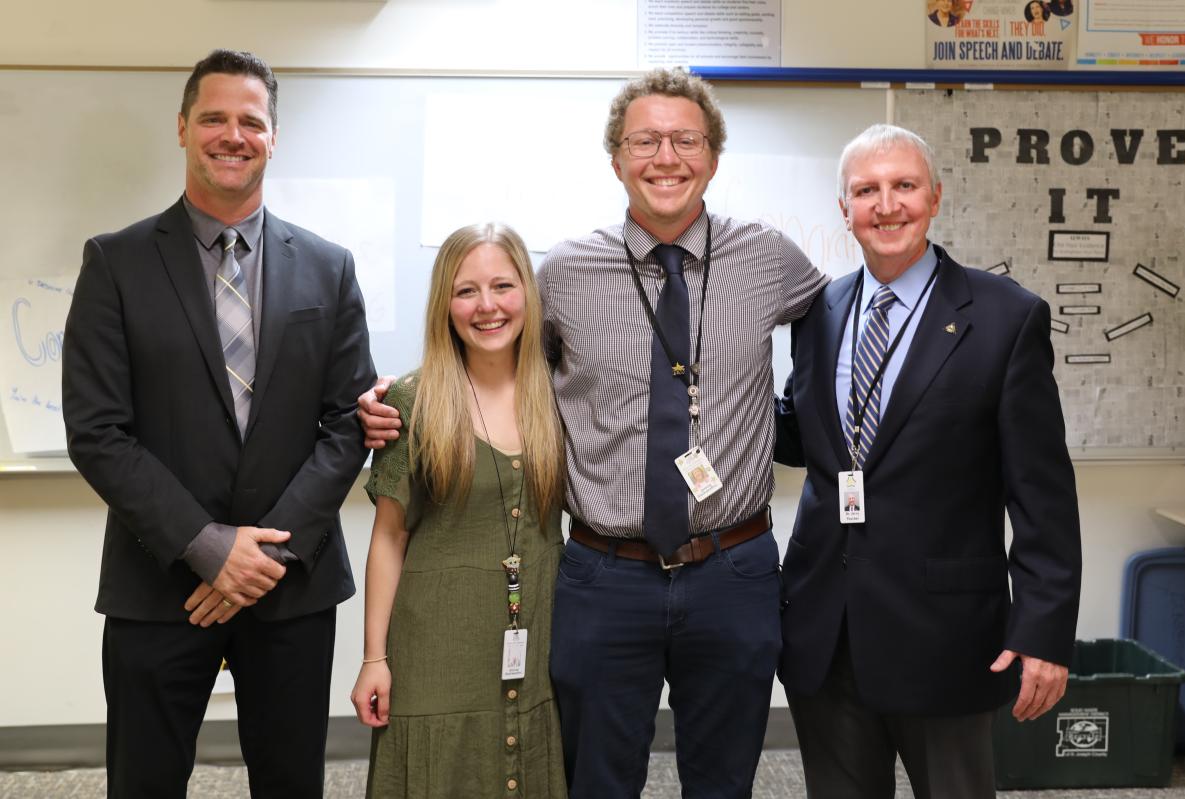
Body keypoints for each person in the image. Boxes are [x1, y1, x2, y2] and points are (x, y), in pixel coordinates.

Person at [360, 68, 828, 798]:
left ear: (712, 156)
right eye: (645, 139)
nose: (665, 156)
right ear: (616, 159)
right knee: (597, 780)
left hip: (734, 568)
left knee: (725, 778)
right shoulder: (567, 272)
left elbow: (848, 329)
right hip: (607, 574)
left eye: (685, 139)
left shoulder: (770, 259)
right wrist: (398, 394)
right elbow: (495, 355)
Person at [62, 49, 375, 798]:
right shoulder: (116, 262)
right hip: (159, 581)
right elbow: (98, 430)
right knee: (144, 781)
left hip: (290, 585)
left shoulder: (329, 268)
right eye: (214, 118)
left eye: (251, 121)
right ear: (181, 127)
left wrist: (260, 556)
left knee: (291, 782)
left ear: (274, 137)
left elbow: (347, 424)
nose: (232, 135)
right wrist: (207, 548)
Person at [774, 123, 1082, 799]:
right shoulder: (817, 312)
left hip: (943, 634)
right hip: (828, 627)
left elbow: (1042, 494)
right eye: (867, 190)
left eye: (904, 186)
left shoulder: (1005, 317)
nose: (887, 204)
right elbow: (804, 436)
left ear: (935, 197)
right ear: (844, 207)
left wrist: (1045, 631)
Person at [349, 223, 567, 798]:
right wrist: (374, 658)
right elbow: (389, 538)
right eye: (466, 290)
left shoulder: (561, 394)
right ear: (445, 303)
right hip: (436, 651)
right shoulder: (411, 401)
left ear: (528, 292)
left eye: (502, 285)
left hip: (537, 642)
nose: (487, 306)